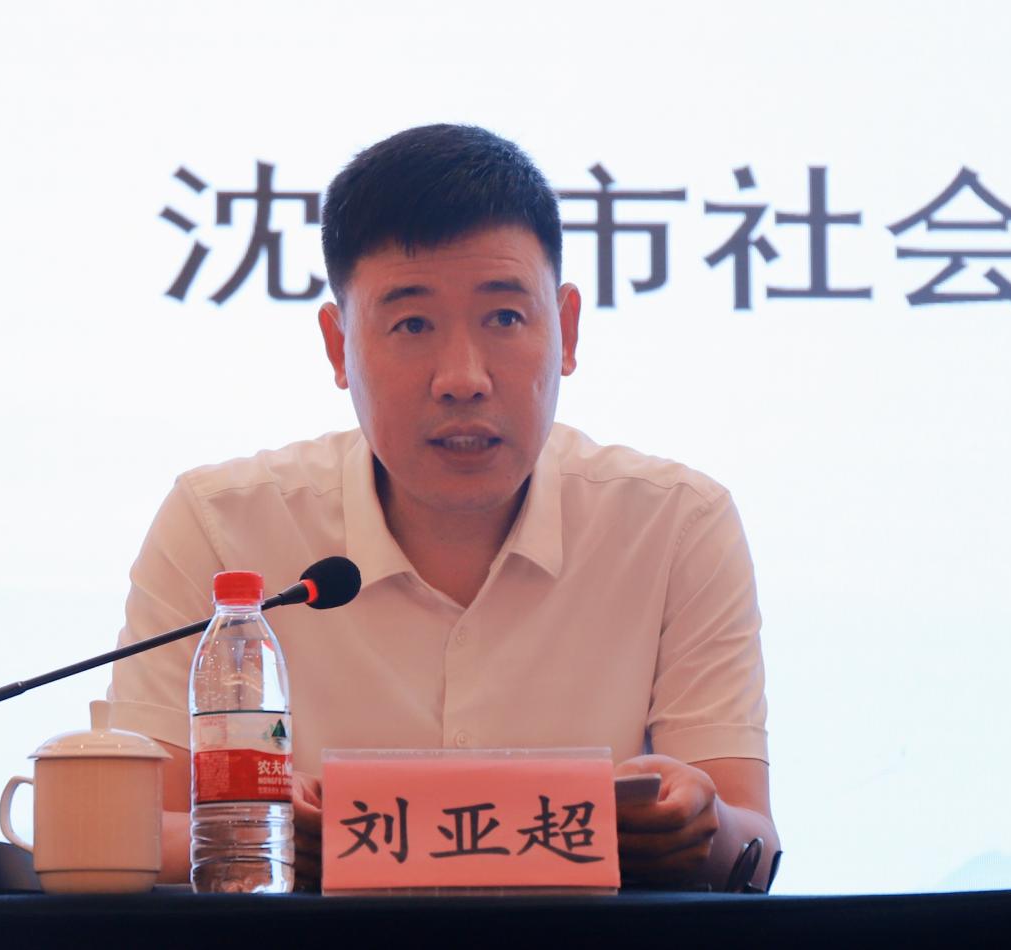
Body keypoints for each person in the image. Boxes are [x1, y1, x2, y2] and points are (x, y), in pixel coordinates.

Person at [107, 124, 780, 890]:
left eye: (504, 318)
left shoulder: (674, 524)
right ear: (337, 345)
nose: (462, 378)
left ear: (565, 330)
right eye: (412, 324)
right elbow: (136, 833)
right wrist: (271, 837)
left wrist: (701, 825)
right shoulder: (220, 526)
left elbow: (751, 840)